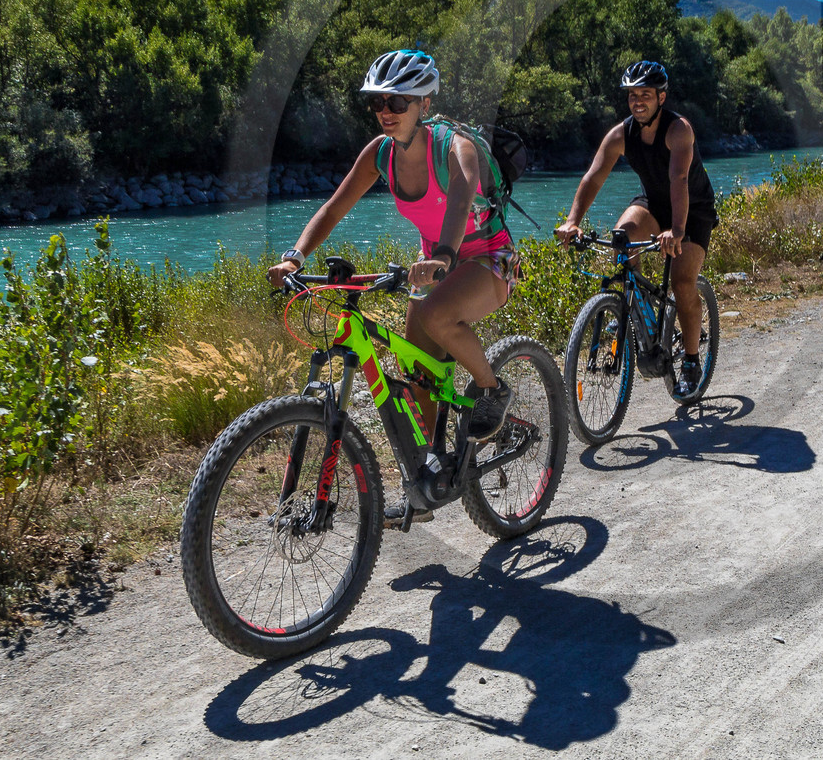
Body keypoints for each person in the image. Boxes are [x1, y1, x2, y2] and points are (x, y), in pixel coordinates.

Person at [266, 48, 521, 523]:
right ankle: (425, 478)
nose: (386, 111)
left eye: (398, 102)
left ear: (424, 105)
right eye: (379, 102)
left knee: (435, 316)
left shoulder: (452, 146)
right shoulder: (379, 154)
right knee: (415, 364)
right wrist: (294, 256)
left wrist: (442, 256)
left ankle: (492, 389)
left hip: (488, 257)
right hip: (436, 266)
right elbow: (333, 209)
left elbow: (463, 195)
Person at [556, 61, 719, 398]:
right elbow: (593, 176)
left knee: (682, 282)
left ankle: (690, 360)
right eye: (632, 95)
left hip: (692, 209)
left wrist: (676, 230)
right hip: (653, 203)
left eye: (645, 94)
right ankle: (635, 312)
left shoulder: (678, 130)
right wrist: (573, 221)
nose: (638, 101)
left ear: (662, 96)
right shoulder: (621, 134)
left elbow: (680, 179)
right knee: (621, 237)